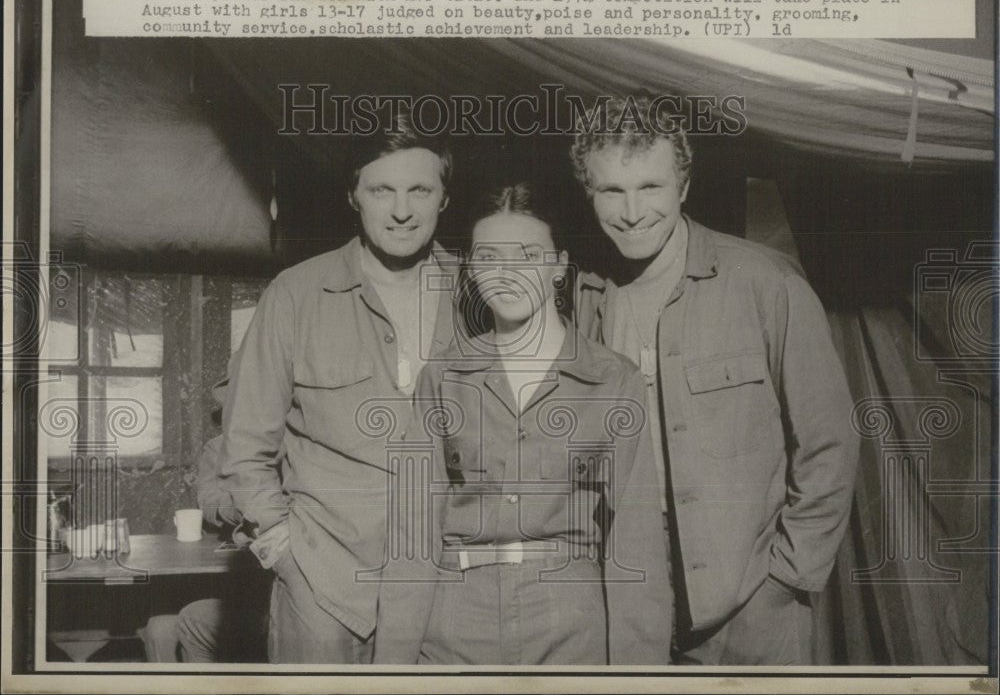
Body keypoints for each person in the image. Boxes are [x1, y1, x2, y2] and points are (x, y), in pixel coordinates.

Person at [570, 92, 860, 665]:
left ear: (683, 186)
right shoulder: (582, 296)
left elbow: (830, 443)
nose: (631, 212)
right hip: (632, 601)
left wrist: (787, 580)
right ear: (589, 193)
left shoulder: (764, 282)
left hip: (754, 600)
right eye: (612, 191)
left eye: (650, 187)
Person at [373, 180, 672, 665]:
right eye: (489, 258)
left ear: (559, 267)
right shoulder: (443, 378)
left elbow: (635, 543)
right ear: (470, 270)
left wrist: (639, 675)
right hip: (455, 622)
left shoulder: (613, 380)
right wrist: (392, 669)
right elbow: (413, 533)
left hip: (571, 622)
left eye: (528, 255)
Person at [216, 110, 460, 663]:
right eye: (381, 189)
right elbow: (244, 448)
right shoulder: (295, 295)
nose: (401, 210)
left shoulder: (479, 298)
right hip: (322, 589)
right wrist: (284, 552)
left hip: (445, 590)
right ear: (354, 195)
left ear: (444, 198)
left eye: (420, 189)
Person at [139, 433, 269, 663]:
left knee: (180, 622)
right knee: (160, 627)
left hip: (276, 585)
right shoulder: (218, 446)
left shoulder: (294, 443)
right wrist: (237, 510)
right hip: (234, 575)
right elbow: (209, 500)